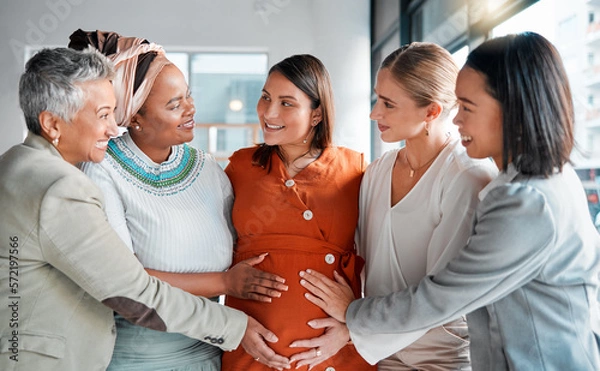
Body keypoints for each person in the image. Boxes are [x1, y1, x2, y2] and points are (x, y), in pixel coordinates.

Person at [299, 32, 600, 370]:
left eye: (468, 107)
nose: (456, 119)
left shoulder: (526, 202)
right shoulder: (532, 184)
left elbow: (442, 296)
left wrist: (352, 314)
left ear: (511, 109)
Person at [0, 47, 291, 371]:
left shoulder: (15, 165)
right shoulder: (61, 188)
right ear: (52, 124)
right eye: (103, 115)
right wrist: (235, 326)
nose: (114, 128)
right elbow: (132, 292)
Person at [295, 42, 496, 370]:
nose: (374, 113)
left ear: (431, 112)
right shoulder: (377, 171)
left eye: (388, 104)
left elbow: (440, 297)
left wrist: (351, 326)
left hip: (439, 358)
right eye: (377, 98)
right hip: (379, 353)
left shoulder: (467, 177)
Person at [221, 54, 375, 371]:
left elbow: (384, 262)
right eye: (265, 97)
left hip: (334, 353)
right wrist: (232, 326)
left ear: (316, 113)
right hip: (251, 353)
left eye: (287, 103)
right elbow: (211, 253)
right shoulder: (240, 166)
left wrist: (352, 327)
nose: (269, 112)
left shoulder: (355, 170)